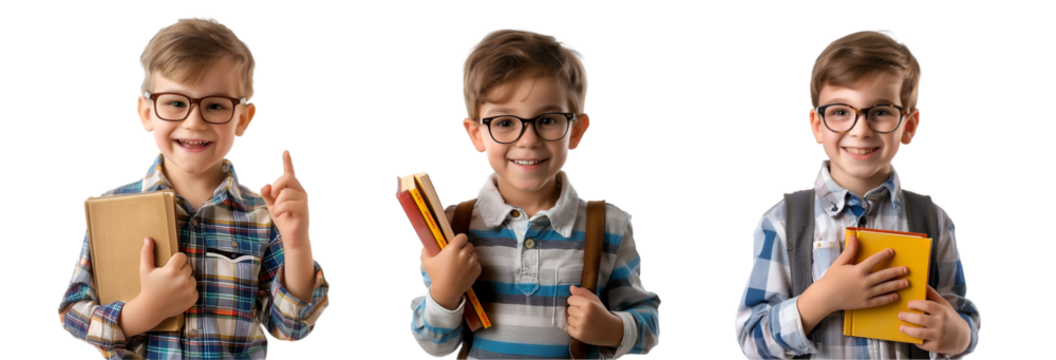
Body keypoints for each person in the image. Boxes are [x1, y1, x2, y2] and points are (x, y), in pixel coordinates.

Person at [55, 14, 331, 359]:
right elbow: (72, 312)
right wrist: (143, 311)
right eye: (175, 103)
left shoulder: (264, 215)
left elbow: (290, 328)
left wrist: (297, 243)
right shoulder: (113, 205)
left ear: (243, 119)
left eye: (215, 105)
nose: (194, 121)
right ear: (146, 113)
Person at [409, 27, 662, 359]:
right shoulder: (451, 225)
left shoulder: (610, 225)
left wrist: (613, 329)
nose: (527, 140)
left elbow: (649, 325)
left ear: (577, 130)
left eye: (547, 120)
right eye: (504, 122)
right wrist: (444, 294)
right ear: (475, 134)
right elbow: (434, 346)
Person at [734, 27, 981, 359]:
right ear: (817, 124)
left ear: (909, 126)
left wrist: (960, 336)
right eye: (840, 111)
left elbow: (962, 317)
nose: (860, 129)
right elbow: (751, 339)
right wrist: (821, 300)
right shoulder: (782, 221)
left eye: (880, 112)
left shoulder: (933, 218)